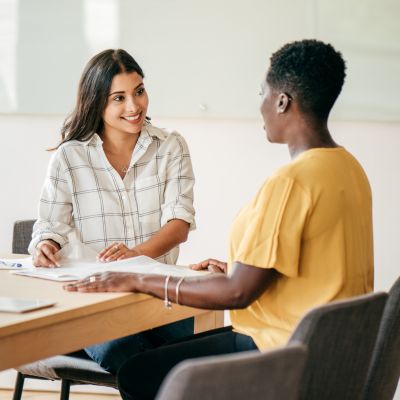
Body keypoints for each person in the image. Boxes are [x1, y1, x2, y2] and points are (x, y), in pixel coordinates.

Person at [65, 39, 374, 400]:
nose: (260, 105)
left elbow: (238, 293)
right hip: (332, 353)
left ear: (282, 101)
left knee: (138, 373)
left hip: (280, 352)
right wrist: (235, 269)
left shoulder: (290, 183)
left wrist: (138, 277)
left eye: (263, 92)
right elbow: (313, 270)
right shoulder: (348, 168)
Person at [29, 49, 196, 373]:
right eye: (118, 98)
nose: (134, 106)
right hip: (96, 304)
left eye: (139, 91)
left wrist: (133, 257)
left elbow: (179, 224)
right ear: (97, 102)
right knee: (127, 352)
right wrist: (45, 245)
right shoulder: (69, 157)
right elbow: (49, 225)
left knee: (198, 346)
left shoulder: (170, 146)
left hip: (159, 300)